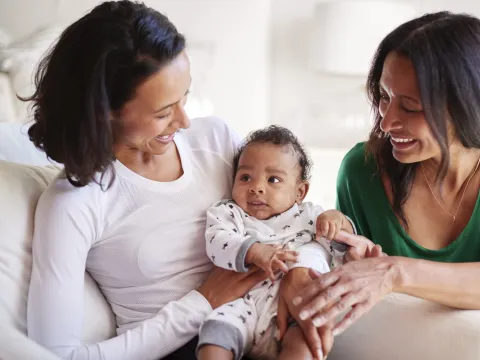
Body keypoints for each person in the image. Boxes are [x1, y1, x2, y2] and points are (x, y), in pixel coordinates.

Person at [24, 1, 336, 360]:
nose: (185, 122)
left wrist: (302, 268)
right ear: (104, 111)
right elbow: (54, 355)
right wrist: (202, 302)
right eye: (162, 113)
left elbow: (294, 218)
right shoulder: (74, 201)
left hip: (267, 327)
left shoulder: (216, 140)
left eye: (184, 96)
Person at [289, 11, 480, 349]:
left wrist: (395, 272)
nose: (386, 122)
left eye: (410, 107)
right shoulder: (362, 172)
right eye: (384, 97)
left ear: (467, 106)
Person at [196, 126, 355, 360]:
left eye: (273, 179)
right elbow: (217, 242)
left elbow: (341, 248)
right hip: (243, 306)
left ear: (300, 192)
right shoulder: (229, 212)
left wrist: (338, 221)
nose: (256, 187)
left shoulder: (309, 216)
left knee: (307, 341)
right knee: (213, 333)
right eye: (245, 177)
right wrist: (252, 250)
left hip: (293, 308)